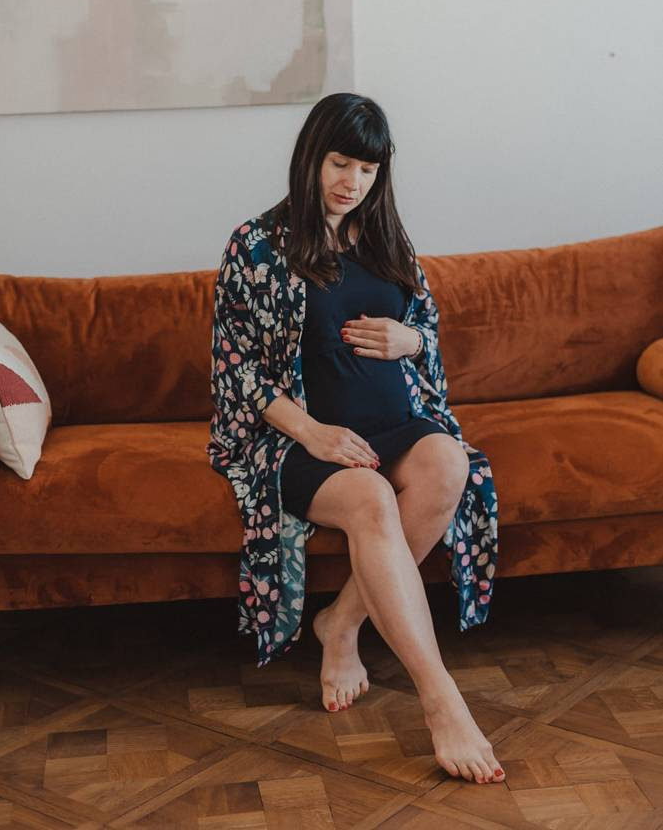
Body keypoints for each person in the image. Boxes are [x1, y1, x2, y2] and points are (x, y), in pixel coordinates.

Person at [207, 92, 503, 785]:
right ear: (313, 156)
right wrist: (313, 433)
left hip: (396, 422)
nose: (353, 182)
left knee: (447, 464)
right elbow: (235, 368)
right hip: (298, 437)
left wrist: (410, 340)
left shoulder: (385, 238)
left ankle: (340, 623)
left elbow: (426, 330)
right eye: (341, 163)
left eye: (368, 169)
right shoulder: (257, 244)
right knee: (370, 498)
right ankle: (442, 700)